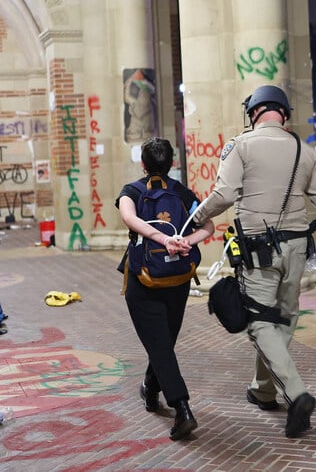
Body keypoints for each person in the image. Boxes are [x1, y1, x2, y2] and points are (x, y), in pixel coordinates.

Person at [191, 85, 316, 439]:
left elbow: (224, 194)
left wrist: (197, 217)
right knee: (283, 317)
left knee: (259, 323)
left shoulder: (239, 145)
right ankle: (263, 389)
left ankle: (297, 393)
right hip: (299, 249)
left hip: (259, 252)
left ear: (253, 112)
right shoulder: (305, 150)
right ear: (284, 113)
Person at [116, 137, 215, 440]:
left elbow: (129, 218)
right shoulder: (183, 193)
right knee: (162, 343)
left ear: (143, 164)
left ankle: (182, 407)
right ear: (172, 163)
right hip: (178, 278)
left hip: (142, 278)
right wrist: (185, 242)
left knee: (159, 345)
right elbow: (208, 226)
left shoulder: (131, 191)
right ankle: (149, 389)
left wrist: (160, 239)